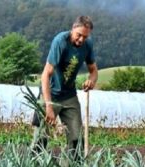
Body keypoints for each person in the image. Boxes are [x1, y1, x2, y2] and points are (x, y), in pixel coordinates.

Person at [32, 15, 98, 156]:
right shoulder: (60, 41)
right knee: (41, 138)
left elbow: (93, 71)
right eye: (79, 35)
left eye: (85, 37)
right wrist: (48, 105)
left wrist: (91, 80)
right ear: (73, 29)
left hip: (69, 96)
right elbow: (45, 74)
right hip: (50, 93)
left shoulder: (87, 45)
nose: (81, 40)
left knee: (76, 139)